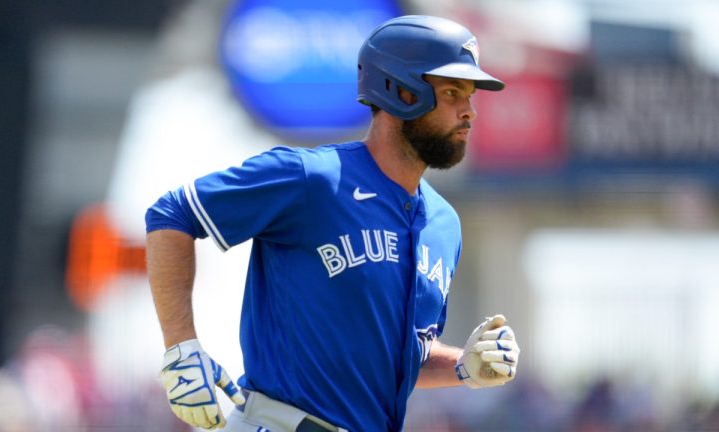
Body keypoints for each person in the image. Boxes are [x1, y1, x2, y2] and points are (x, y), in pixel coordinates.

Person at [145, 15, 521, 432]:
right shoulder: (313, 178)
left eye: (469, 96)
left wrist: (462, 366)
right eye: (453, 92)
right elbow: (173, 213)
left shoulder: (443, 225)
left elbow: (391, 362)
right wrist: (180, 345)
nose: (468, 112)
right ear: (401, 91)